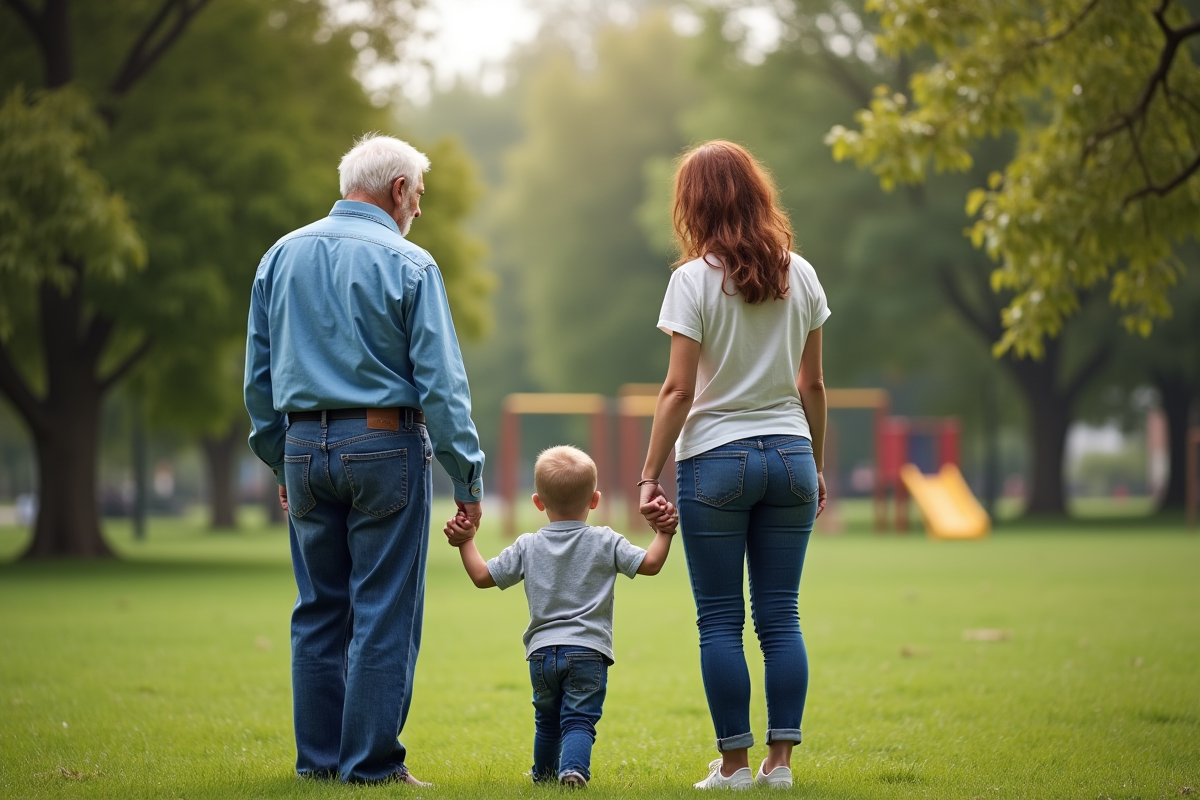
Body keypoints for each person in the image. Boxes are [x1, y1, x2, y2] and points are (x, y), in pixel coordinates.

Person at [243, 134, 486, 784]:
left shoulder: (279, 256)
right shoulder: (412, 265)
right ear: (398, 190)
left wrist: (279, 463)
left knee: (317, 608)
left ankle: (319, 766)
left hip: (301, 448)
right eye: (419, 197)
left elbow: (258, 381)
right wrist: (466, 475)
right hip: (384, 446)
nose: (419, 211)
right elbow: (442, 385)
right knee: (382, 609)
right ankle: (371, 767)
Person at [638, 140, 829, 790]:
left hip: (715, 461)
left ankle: (734, 765)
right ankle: (781, 765)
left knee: (720, 618)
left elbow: (678, 391)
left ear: (694, 204)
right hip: (791, 456)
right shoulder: (799, 273)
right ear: (756, 193)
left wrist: (647, 473)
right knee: (781, 614)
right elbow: (814, 387)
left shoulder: (691, 280)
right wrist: (818, 466)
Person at [443, 445, 677, 788]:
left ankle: (544, 777)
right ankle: (573, 771)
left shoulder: (527, 544)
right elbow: (651, 565)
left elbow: (482, 577)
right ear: (594, 500)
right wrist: (665, 532)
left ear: (538, 502)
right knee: (579, 720)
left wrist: (465, 541)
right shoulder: (605, 540)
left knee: (547, 721)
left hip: (540, 654)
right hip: (588, 651)